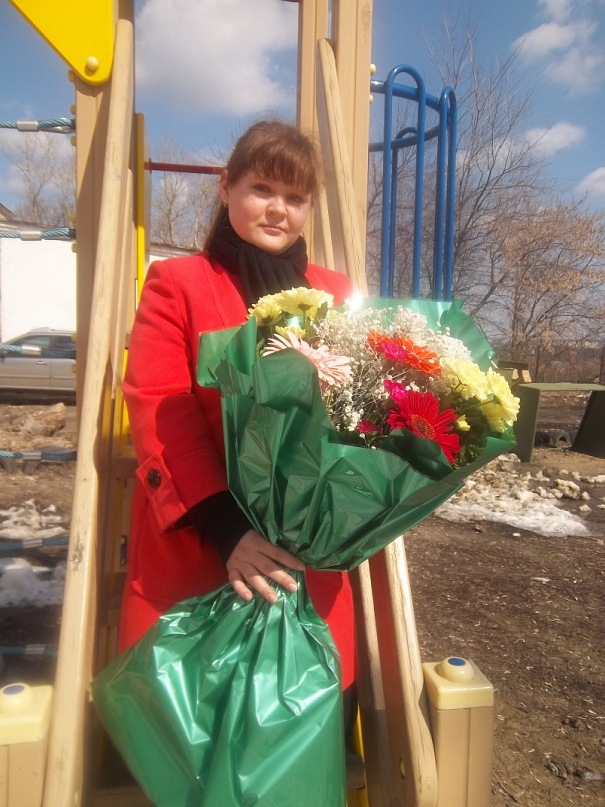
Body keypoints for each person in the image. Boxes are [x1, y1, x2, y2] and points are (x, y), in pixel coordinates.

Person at [118, 120, 357, 701]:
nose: (278, 209)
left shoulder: (337, 293)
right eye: (262, 189)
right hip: (203, 544)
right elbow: (161, 408)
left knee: (304, 723)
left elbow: (360, 417)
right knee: (190, 728)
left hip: (308, 559)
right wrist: (228, 530)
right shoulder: (177, 284)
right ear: (226, 188)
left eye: (295, 197)